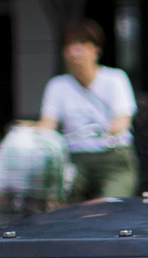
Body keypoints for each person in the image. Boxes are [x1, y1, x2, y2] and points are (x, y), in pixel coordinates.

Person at [38, 19, 137, 200]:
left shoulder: (115, 79)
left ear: (96, 50)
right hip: (75, 159)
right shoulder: (57, 85)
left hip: (113, 158)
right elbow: (47, 125)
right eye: (69, 45)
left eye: (82, 44)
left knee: (112, 205)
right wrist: (29, 132)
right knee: (55, 201)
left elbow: (123, 119)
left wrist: (110, 130)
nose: (75, 51)